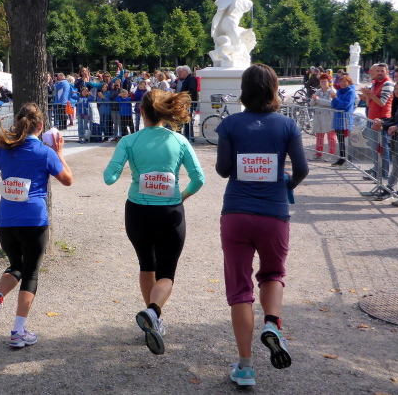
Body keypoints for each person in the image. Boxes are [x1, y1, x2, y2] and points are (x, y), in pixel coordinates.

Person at [215, 64, 308, 387]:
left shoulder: (230, 124)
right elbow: (302, 168)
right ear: (273, 88)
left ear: (244, 89)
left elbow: (223, 169)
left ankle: (245, 367)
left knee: (239, 289)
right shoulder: (287, 125)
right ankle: (271, 322)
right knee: (272, 275)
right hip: (274, 212)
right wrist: (286, 184)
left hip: (236, 213)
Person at [103, 89, 204, 355]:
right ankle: (153, 311)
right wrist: (181, 196)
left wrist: (129, 167)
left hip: (137, 212)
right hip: (170, 212)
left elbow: (109, 178)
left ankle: (152, 319)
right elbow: (199, 179)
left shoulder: (129, 141)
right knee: (166, 273)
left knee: (146, 264)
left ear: (141, 111)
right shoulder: (179, 140)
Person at [0, 103, 73, 348]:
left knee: (16, 266)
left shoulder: (4, 149)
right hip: (34, 220)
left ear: (18, 123)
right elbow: (68, 180)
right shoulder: (45, 152)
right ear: (41, 126)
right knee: (30, 273)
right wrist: (59, 152)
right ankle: (18, 331)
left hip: (6, 220)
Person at [359, 63, 394, 180]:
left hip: (381, 120)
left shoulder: (387, 83)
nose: (379, 73)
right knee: (374, 147)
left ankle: (383, 173)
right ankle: (376, 169)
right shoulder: (375, 83)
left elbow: (382, 103)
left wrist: (369, 94)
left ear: (387, 72)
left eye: (382, 71)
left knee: (381, 148)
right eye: (377, 70)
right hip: (372, 119)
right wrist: (367, 96)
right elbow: (369, 104)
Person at [330, 74, 356, 167]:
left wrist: (335, 99)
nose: (343, 84)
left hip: (345, 120)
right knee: (340, 140)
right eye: (341, 82)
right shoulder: (339, 91)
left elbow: (345, 105)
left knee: (346, 140)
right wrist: (334, 100)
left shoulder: (351, 92)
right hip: (338, 119)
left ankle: (347, 158)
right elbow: (333, 105)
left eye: (345, 82)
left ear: (349, 82)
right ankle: (342, 158)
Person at [311, 73, 337, 161]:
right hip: (319, 116)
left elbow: (330, 103)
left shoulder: (332, 91)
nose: (323, 83)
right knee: (319, 136)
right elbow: (311, 103)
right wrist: (315, 99)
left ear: (328, 82)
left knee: (331, 137)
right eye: (321, 81)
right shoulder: (318, 91)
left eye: (325, 81)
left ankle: (331, 155)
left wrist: (318, 100)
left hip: (329, 117)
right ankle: (318, 153)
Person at [175, 66, 198, 142]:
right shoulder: (185, 79)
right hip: (185, 103)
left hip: (189, 103)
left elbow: (192, 90)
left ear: (186, 72)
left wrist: (183, 96)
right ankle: (186, 136)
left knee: (188, 121)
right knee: (184, 120)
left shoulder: (191, 79)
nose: (180, 73)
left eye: (181, 72)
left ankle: (189, 137)